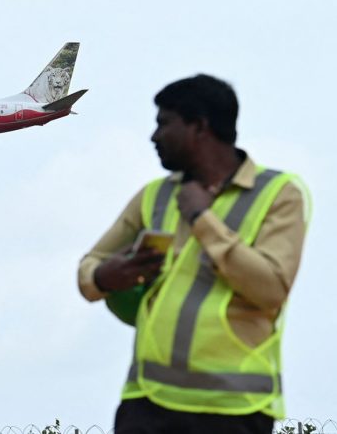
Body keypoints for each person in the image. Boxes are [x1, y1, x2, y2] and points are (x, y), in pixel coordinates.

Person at [77, 75, 310, 434]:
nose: (154, 137)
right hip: (147, 404)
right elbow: (89, 268)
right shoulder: (153, 195)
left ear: (199, 126)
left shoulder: (280, 194)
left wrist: (202, 218)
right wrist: (105, 276)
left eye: (164, 124)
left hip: (235, 409)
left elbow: (271, 288)